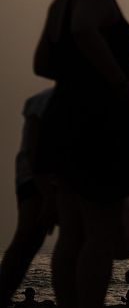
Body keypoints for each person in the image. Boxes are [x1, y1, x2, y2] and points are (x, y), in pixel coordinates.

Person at [33, 0, 129, 308]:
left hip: (63, 122)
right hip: (96, 127)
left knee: (72, 233)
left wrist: (78, 73)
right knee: (98, 230)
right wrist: (116, 80)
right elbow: (83, 29)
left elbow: (42, 63)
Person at [0, 89, 54, 307]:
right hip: (37, 176)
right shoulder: (43, 103)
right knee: (29, 236)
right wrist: (48, 194)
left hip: (50, 176)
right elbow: (32, 153)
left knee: (32, 237)